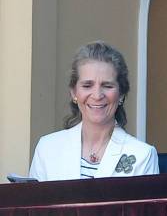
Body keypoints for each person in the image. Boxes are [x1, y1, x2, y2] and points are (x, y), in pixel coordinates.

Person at [29, 41, 159, 181]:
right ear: (74, 93)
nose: (97, 95)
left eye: (107, 86)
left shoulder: (143, 156)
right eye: (87, 85)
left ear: (121, 94)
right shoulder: (47, 148)